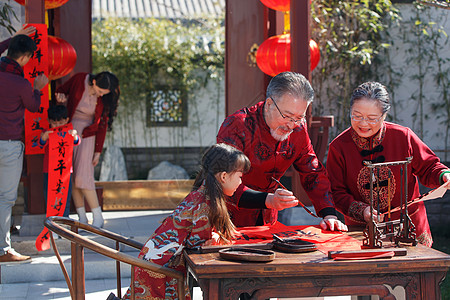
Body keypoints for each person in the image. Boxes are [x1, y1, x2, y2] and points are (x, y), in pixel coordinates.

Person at [217, 71, 347, 232]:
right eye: (287, 116)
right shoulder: (237, 126)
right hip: (228, 217)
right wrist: (269, 200)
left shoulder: (299, 128)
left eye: (299, 117)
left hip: (268, 219)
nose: (292, 124)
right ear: (269, 103)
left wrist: (329, 214)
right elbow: (223, 180)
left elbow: (312, 171)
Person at [118, 143, 250, 300]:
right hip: (160, 272)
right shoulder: (204, 203)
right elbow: (199, 247)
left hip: (156, 265)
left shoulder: (201, 195)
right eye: (240, 176)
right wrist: (215, 239)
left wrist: (214, 238)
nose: (240, 183)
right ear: (223, 176)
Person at [327, 81, 450, 247]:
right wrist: (362, 211)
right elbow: (336, 191)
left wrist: (444, 176)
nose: (363, 124)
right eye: (357, 116)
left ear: (384, 116)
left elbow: (429, 167)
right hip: (362, 229)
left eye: (371, 118)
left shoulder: (403, 136)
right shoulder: (339, 146)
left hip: (408, 226)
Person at [0, 32, 48, 263]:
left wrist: (14, 39)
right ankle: (2, 250)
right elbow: (34, 106)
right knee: (5, 199)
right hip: (8, 146)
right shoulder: (21, 83)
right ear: (27, 57)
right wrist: (37, 87)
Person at [55, 71, 120, 228]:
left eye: (103, 94)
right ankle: (82, 217)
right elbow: (61, 90)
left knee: (84, 176)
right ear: (94, 82)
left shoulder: (104, 99)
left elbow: (102, 125)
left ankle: (98, 216)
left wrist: (98, 151)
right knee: (72, 176)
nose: (100, 96)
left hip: (88, 135)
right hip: (69, 131)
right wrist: (61, 97)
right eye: (99, 92)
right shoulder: (79, 79)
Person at [40, 105, 80, 220]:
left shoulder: (69, 131)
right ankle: (52, 226)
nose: (57, 126)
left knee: (65, 199)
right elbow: (40, 144)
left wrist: (75, 136)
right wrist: (44, 137)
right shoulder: (47, 133)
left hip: (65, 172)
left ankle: (63, 224)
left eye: (60, 122)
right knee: (50, 199)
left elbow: (77, 142)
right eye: (54, 123)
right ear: (49, 121)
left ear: (66, 120)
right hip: (49, 171)